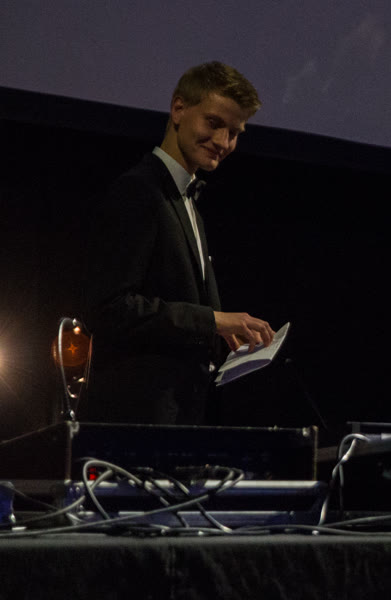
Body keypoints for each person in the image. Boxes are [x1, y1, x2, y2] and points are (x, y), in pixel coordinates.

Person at [81, 62, 275, 425]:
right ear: (178, 109)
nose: (223, 142)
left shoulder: (187, 203)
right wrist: (213, 321)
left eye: (234, 133)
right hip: (136, 425)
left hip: (179, 422)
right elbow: (109, 308)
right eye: (213, 123)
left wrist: (226, 342)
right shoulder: (138, 191)